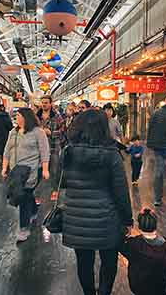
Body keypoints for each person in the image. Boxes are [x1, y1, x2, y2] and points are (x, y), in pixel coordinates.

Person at [62, 110, 133, 295]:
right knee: (109, 261)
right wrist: (127, 220)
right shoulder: (112, 154)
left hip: (77, 218)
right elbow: (121, 192)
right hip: (107, 219)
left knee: (84, 263)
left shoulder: (68, 152)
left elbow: (60, 182)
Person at [2, 108, 50, 242]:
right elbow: (7, 150)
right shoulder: (13, 132)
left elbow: (44, 152)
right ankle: (33, 210)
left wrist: (45, 169)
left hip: (32, 170)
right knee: (27, 195)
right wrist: (4, 167)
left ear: (26, 117)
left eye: (18, 116)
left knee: (24, 196)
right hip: (16, 171)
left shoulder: (38, 132)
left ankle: (24, 228)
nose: (16, 118)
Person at [120, 208, 166, 295]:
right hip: (160, 288)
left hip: (138, 286)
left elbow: (121, 247)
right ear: (155, 225)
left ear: (139, 227)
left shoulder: (133, 244)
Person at [36, 95, 64, 199]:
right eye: (42, 102)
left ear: (50, 103)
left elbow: (63, 129)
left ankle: (54, 191)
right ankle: (37, 193)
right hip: (39, 148)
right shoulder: (36, 116)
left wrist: (51, 132)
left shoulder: (57, 116)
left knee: (54, 170)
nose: (44, 104)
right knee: (38, 170)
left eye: (46, 102)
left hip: (53, 147)